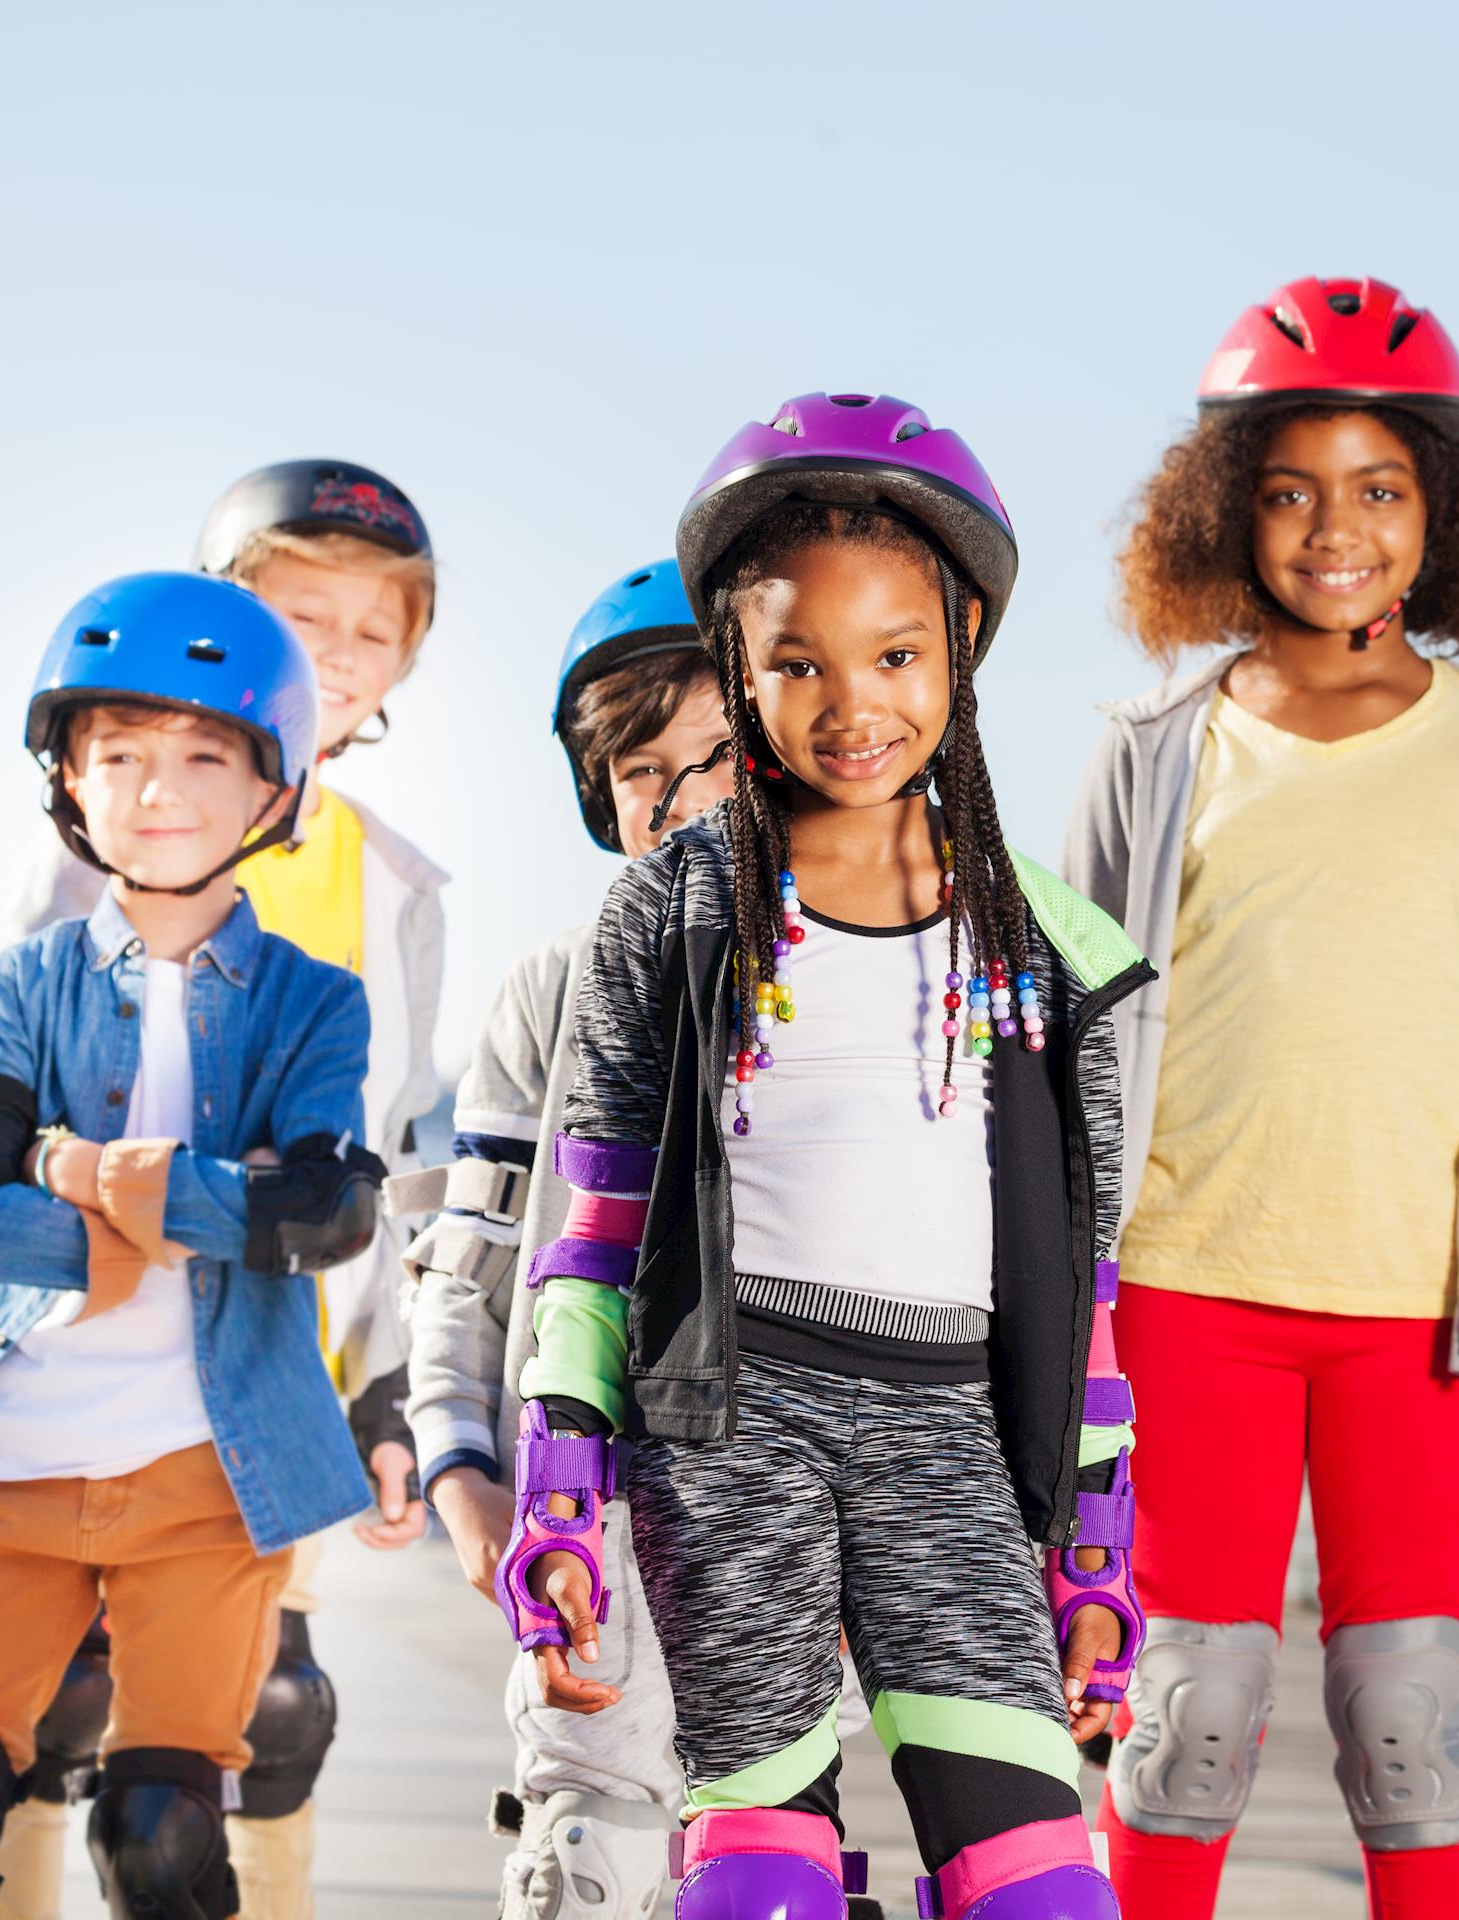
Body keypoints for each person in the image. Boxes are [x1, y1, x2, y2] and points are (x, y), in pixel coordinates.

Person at [505, 393, 1153, 1920]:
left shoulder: (1058, 949)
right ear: (737, 665)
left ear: (967, 640)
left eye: (897, 657)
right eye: (795, 662)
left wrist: (1097, 1538)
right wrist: (558, 1483)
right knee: (761, 1887)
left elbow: (1089, 1274)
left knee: (1044, 1891)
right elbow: (592, 1232)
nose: (850, 702)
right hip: (734, 1420)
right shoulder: (671, 911)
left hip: (952, 1431)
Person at [1064, 276, 1459, 1920]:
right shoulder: (1154, 747)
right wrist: (1055, 1336)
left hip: (1424, 1320)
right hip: (1183, 1299)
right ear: (1231, 513)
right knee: (1182, 1728)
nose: (1335, 529)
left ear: (1444, 516)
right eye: (1293, 489)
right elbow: (1064, 1058)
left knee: (1411, 1737)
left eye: (1379, 490)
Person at [0, 460, 450, 1920]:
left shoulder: (397, 893)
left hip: (268, 1389)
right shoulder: (85, 855)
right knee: (24, 1735)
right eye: (295, 613)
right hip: (52, 1380)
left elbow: (365, 1165)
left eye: (369, 631)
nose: (333, 651)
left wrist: (386, 1386)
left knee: (265, 1732)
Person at [387, 557, 736, 1919]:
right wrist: (461, 1461)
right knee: (584, 1856)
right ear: (601, 795)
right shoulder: (548, 986)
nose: (688, 794)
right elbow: (469, 1248)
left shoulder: (862, 968)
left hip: (799, 1481)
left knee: (758, 1859)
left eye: (721, 754)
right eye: (644, 768)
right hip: (583, 1480)